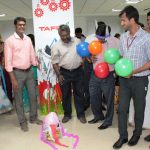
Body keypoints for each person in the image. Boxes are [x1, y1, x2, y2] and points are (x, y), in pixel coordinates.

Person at [113, 6, 150, 149]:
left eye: (123, 20)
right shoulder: (123, 37)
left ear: (132, 20)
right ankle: (122, 136)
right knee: (122, 109)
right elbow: (121, 56)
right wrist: (118, 67)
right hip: (124, 80)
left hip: (140, 79)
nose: (121, 23)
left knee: (139, 109)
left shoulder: (147, 38)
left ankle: (137, 134)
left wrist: (133, 71)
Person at [4, 17, 42, 132]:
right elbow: (8, 62)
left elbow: (31, 53)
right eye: (19, 25)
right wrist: (13, 79)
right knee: (19, 100)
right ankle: (22, 122)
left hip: (29, 71)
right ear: (15, 26)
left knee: (33, 97)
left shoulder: (27, 39)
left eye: (23, 25)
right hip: (17, 73)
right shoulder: (9, 41)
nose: (22, 27)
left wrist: (36, 63)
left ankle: (33, 118)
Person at [51, 24, 86, 124]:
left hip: (78, 71)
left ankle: (81, 114)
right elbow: (54, 62)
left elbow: (83, 53)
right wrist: (59, 75)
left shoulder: (77, 41)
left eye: (66, 35)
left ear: (69, 32)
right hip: (64, 73)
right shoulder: (56, 46)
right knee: (65, 95)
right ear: (59, 35)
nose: (65, 37)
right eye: (62, 36)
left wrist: (83, 62)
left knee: (79, 93)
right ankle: (67, 114)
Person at [87, 22, 119, 129]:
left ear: (107, 35)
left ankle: (108, 120)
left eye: (101, 38)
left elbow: (122, 56)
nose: (99, 40)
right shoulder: (94, 41)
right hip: (95, 74)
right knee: (93, 96)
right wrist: (90, 58)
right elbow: (87, 54)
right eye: (98, 37)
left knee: (109, 99)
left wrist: (116, 64)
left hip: (108, 75)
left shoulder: (116, 42)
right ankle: (98, 116)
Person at [75, 27, 93, 110]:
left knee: (90, 84)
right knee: (85, 85)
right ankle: (86, 102)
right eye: (77, 33)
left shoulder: (85, 39)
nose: (79, 35)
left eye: (80, 33)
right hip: (81, 64)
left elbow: (87, 50)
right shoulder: (74, 40)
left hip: (87, 62)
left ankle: (90, 101)